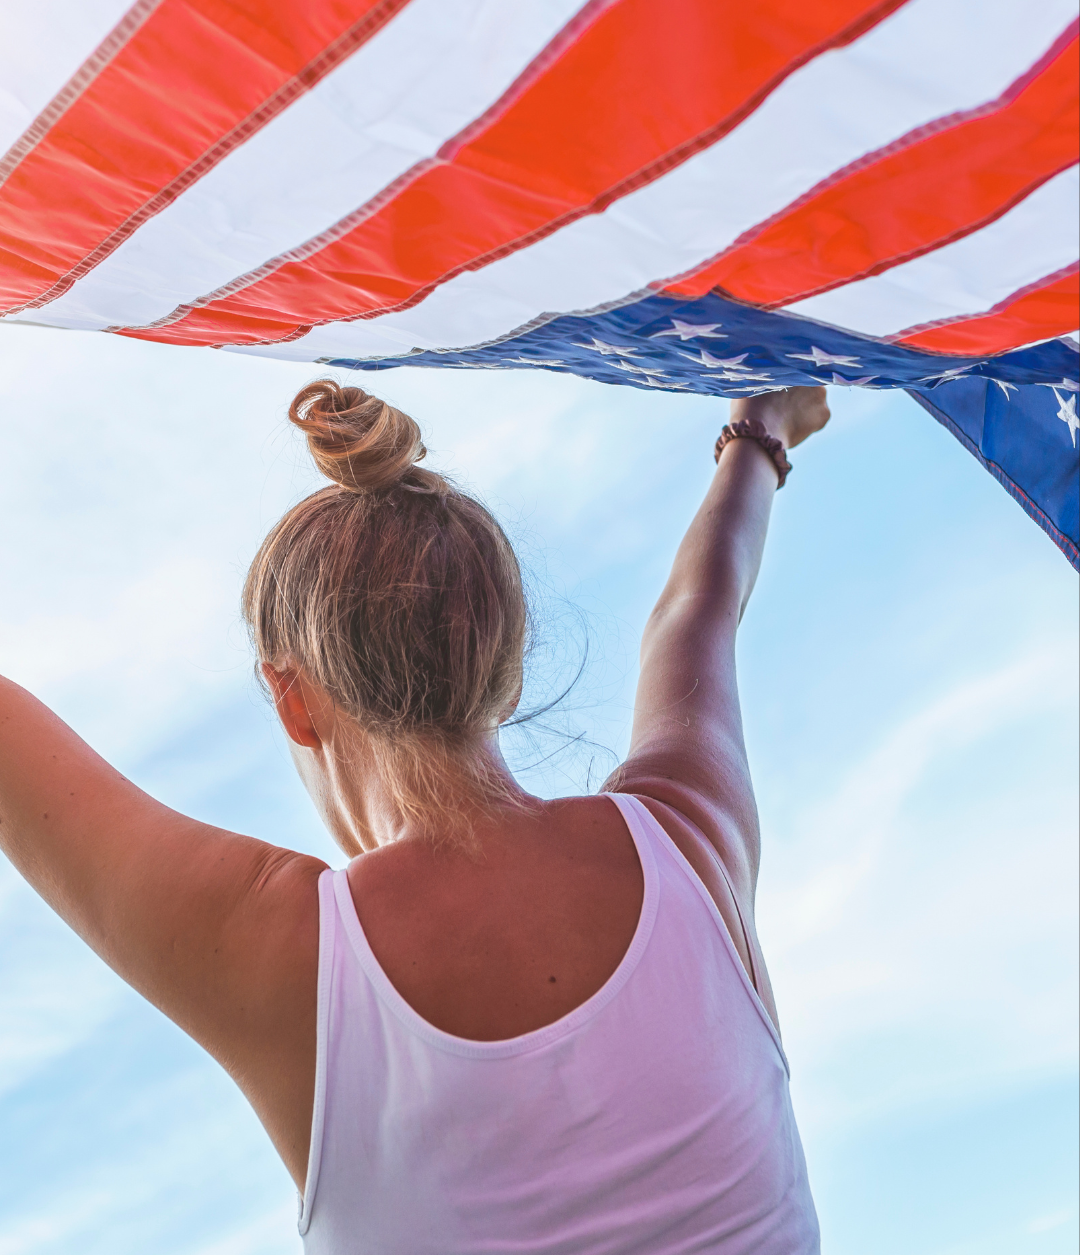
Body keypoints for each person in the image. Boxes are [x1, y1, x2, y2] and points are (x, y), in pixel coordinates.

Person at [0, 379, 830, 1253]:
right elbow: (695, 612)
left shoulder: (293, 959)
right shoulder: (687, 840)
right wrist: (759, 428)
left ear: (292, 701)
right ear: (506, 669)